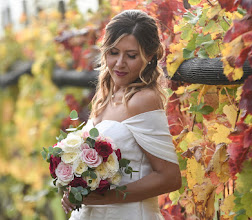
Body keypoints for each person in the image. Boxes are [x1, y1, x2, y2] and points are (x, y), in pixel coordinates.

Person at [61, 9, 181, 220]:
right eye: (113, 52)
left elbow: (170, 178)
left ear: (150, 56)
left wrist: (102, 198)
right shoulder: (106, 95)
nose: (119, 63)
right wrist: (76, 188)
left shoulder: (143, 99)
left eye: (132, 55)